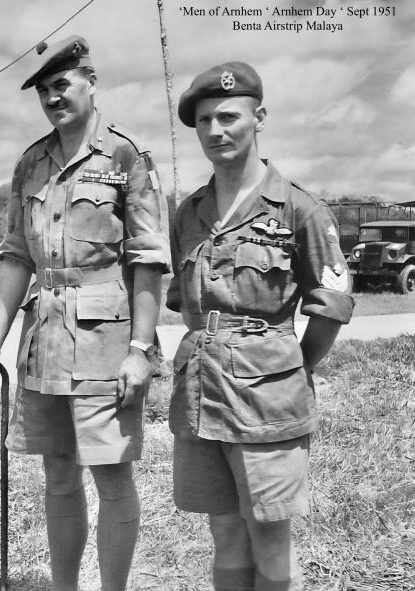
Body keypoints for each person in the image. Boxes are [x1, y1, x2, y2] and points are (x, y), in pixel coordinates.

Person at [0, 35, 170, 591]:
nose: (54, 98)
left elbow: (149, 259)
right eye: (44, 91)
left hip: (106, 343)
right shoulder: (30, 163)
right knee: (58, 477)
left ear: (90, 82)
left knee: (110, 476)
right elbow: (15, 256)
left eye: (63, 85)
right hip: (45, 343)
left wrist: (140, 350)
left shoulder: (126, 158)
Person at [168, 62, 355, 591]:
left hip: (268, 400)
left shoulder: (299, 209)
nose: (214, 131)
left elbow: (330, 306)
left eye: (228, 116)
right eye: (203, 120)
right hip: (202, 393)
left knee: (270, 532)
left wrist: (291, 367)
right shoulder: (189, 212)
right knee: (225, 532)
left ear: (260, 118)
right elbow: (184, 302)